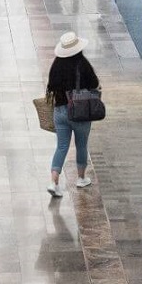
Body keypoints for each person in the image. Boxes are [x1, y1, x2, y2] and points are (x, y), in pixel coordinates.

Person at [45, 31, 99, 197]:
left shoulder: (56, 65)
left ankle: (54, 182)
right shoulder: (82, 64)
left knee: (61, 146)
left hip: (60, 112)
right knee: (81, 145)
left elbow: (51, 87)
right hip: (80, 111)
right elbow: (95, 83)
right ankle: (81, 178)